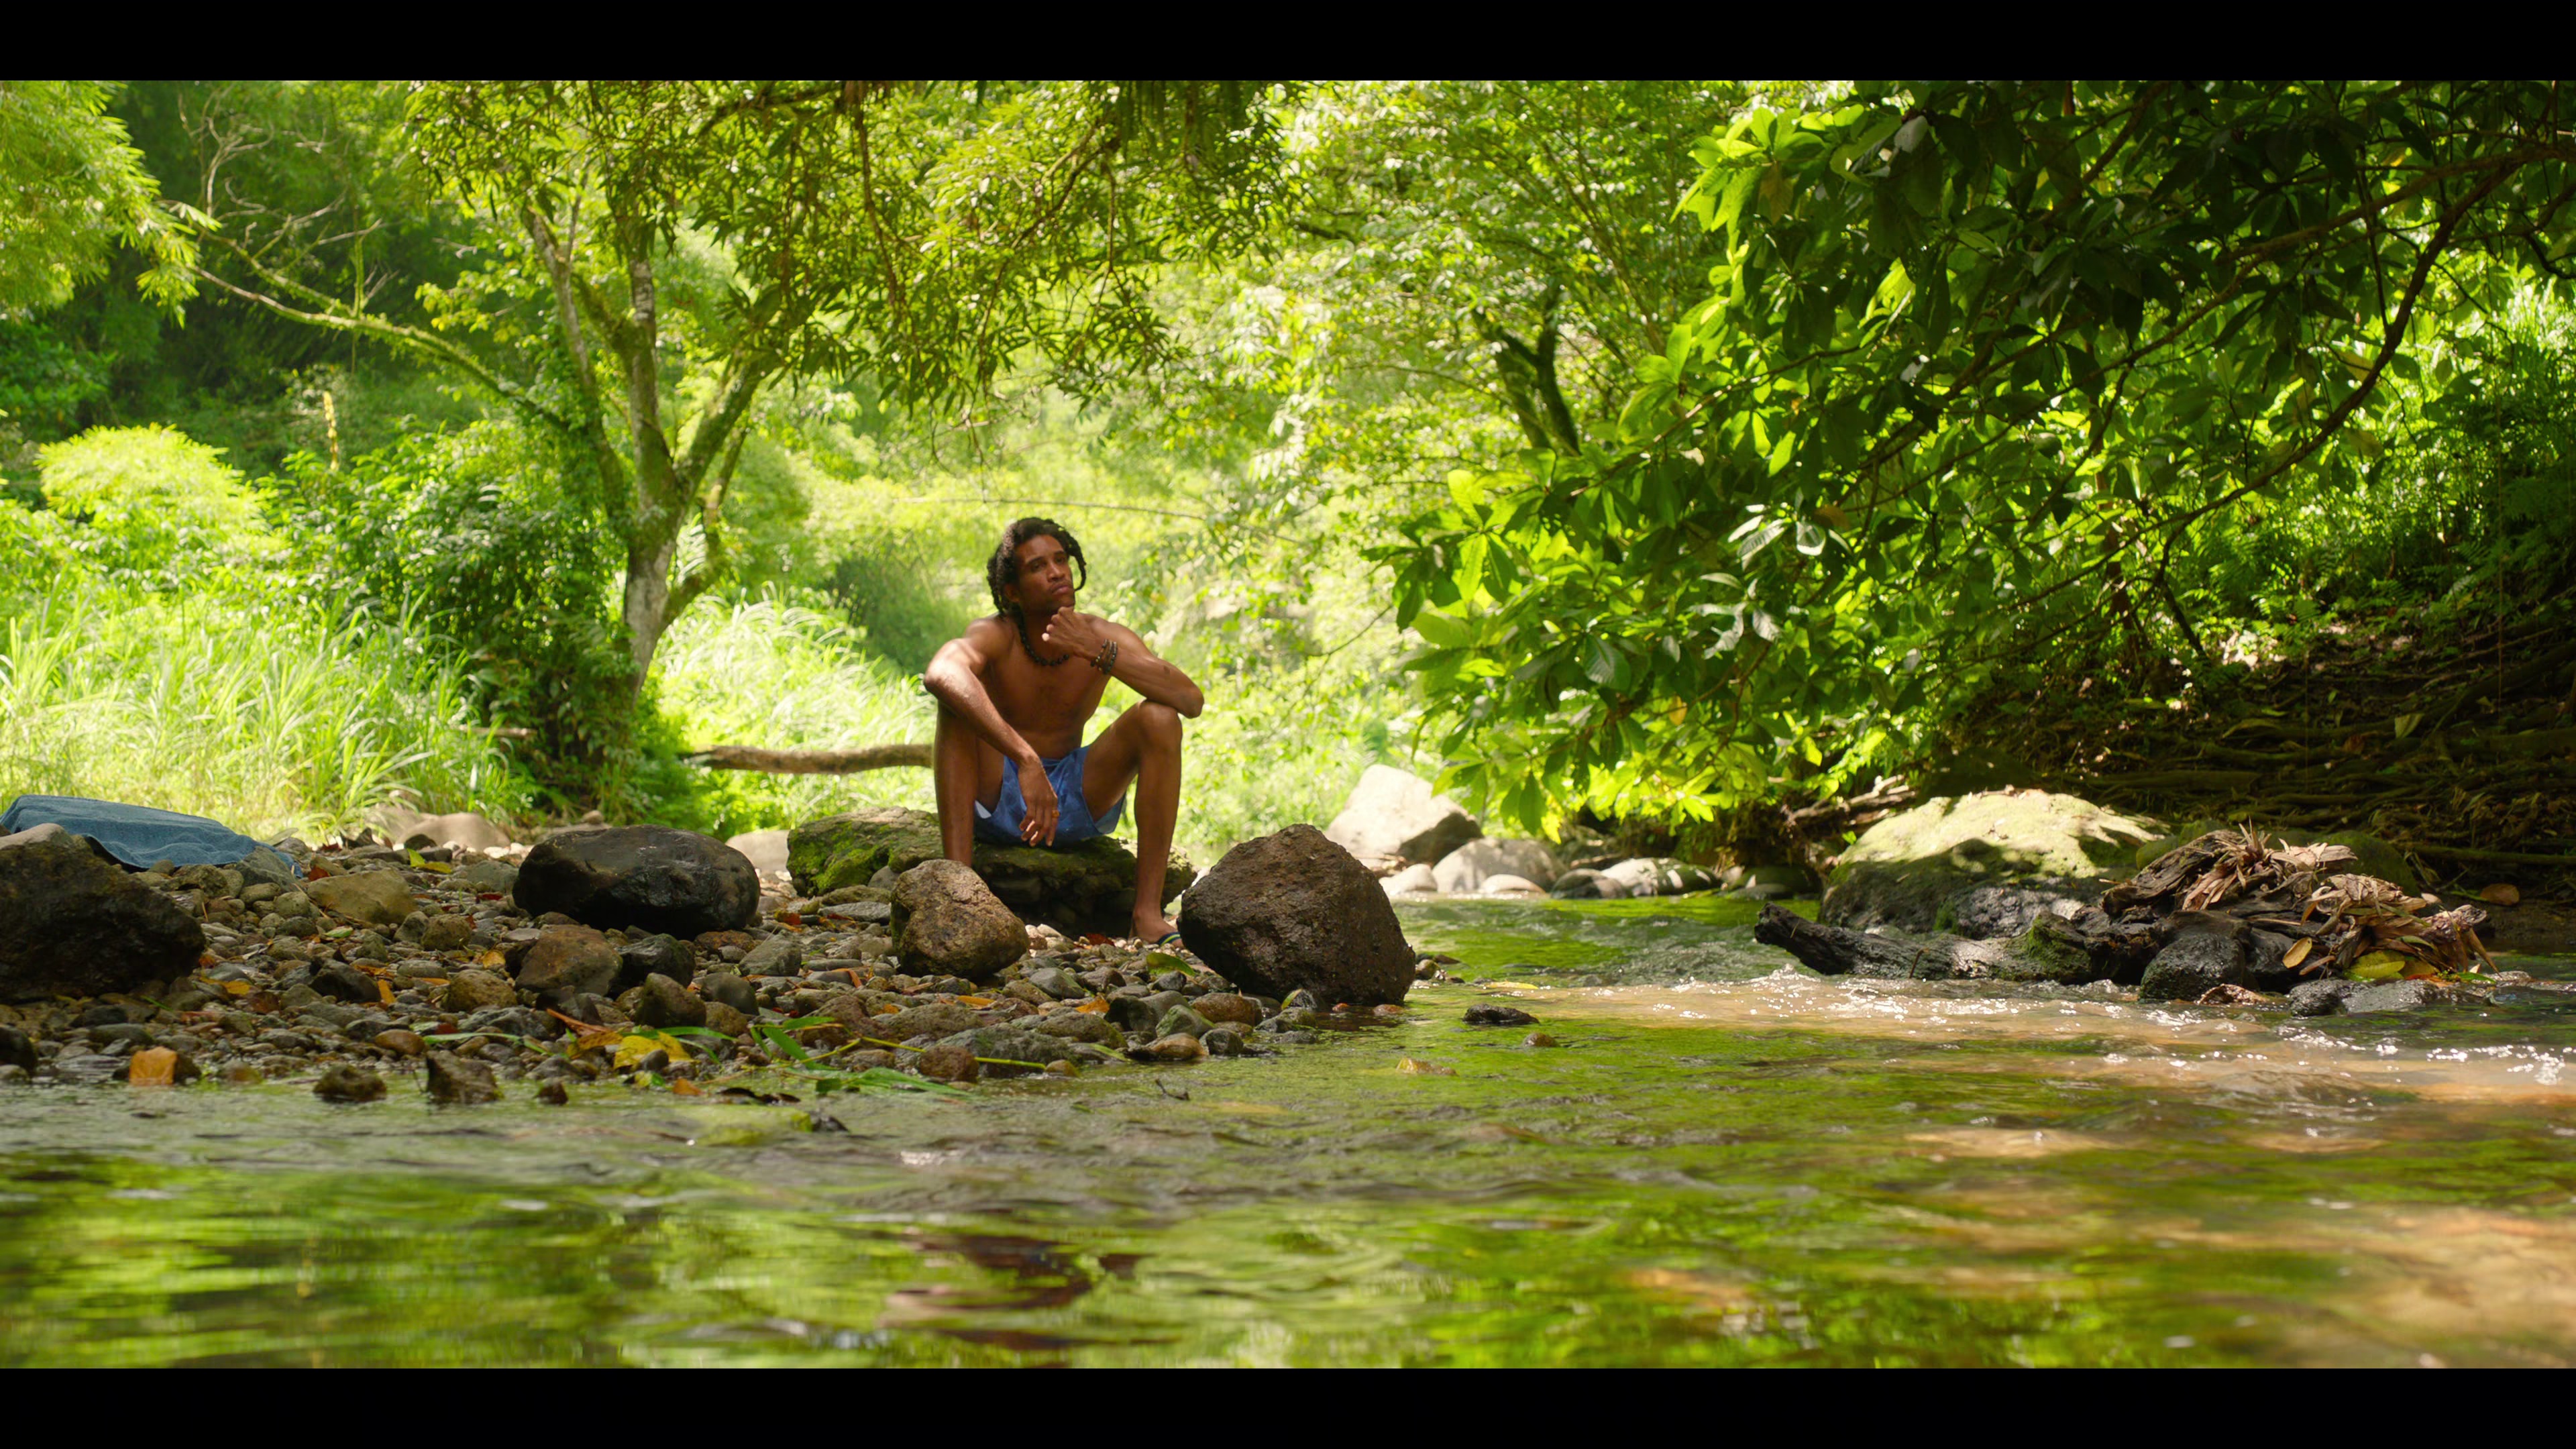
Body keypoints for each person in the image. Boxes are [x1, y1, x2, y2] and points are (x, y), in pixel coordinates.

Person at [922, 517, 1204, 942]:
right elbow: (940, 672)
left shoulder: (1101, 635)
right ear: (1013, 592)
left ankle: (1146, 914)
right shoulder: (996, 634)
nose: (1056, 572)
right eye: (1037, 567)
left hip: (1073, 801)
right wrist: (1025, 759)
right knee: (956, 700)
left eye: (1060, 560)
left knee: (1159, 717)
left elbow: (1189, 700)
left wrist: (1098, 651)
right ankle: (959, 893)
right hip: (997, 792)